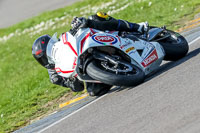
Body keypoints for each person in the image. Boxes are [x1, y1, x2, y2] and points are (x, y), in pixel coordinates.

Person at [32, 12, 148, 96]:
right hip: (89, 68)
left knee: (96, 17)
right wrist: (70, 81)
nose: (46, 58)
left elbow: (73, 36)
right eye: (42, 58)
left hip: (89, 44)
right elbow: (78, 87)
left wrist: (80, 23)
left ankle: (137, 27)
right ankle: (120, 72)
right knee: (94, 91)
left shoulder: (62, 44)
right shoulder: (55, 74)